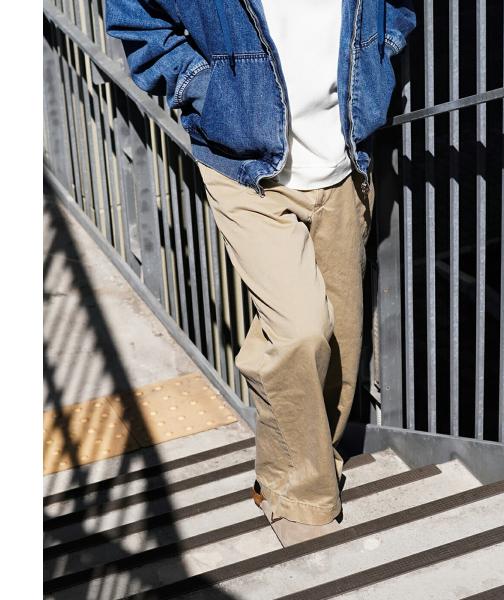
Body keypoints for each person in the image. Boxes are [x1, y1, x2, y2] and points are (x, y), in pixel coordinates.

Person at [105, 0, 416, 542]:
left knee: (342, 341)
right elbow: (134, 14)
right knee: (299, 331)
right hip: (245, 167)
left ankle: (296, 464)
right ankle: (303, 496)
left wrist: (380, 53)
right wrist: (201, 86)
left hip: (344, 161)